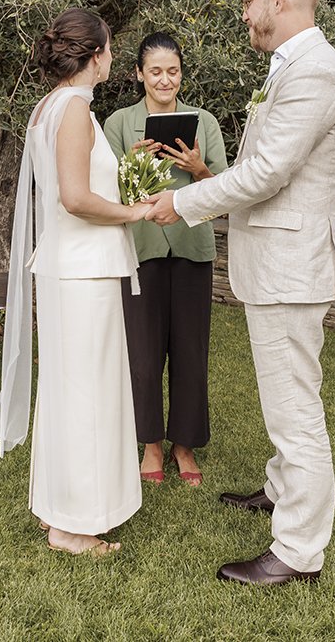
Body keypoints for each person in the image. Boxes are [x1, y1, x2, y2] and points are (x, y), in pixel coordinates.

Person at [148, 0, 335, 587]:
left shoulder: (317, 71)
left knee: (296, 409)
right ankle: (278, 490)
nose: (244, 13)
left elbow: (268, 172)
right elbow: (264, 169)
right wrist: (211, 183)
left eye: (247, 1)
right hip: (276, 262)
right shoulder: (292, 66)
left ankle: (297, 553)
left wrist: (181, 202)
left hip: (292, 269)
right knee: (283, 400)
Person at [0, 8, 155, 557]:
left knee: (69, 390)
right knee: (87, 394)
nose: (112, 57)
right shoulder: (77, 109)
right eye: (110, 48)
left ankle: (60, 507)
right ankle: (75, 526)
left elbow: (77, 178)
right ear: (95, 54)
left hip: (67, 268)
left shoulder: (50, 106)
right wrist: (136, 214)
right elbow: (75, 198)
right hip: (84, 271)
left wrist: (122, 166)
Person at [103, 32, 228, 487]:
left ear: (181, 74)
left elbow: (225, 193)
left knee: (191, 350)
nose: (164, 79)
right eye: (155, 71)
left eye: (172, 71)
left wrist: (198, 168)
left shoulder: (205, 123)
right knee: (144, 350)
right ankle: (151, 444)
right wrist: (130, 165)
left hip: (193, 250)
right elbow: (105, 194)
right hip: (140, 250)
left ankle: (185, 445)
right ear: (139, 74)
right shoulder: (118, 124)